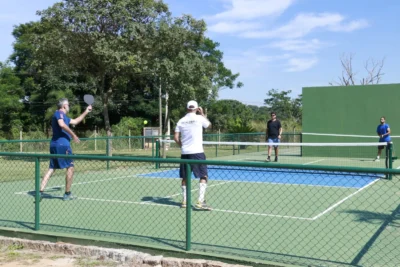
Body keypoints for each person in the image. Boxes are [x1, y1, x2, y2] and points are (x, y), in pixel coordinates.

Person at [39, 98, 92, 201]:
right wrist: (73, 135)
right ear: (63, 106)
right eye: (68, 105)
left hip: (54, 145)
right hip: (63, 145)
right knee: (70, 167)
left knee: (52, 168)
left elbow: (76, 121)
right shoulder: (59, 113)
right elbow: (62, 125)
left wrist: (86, 111)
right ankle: (67, 193)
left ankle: (40, 192)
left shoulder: (65, 117)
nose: (69, 106)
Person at [174, 100, 212, 210]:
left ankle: (185, 201)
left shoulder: (181, 121)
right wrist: (203, 114)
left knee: (185, 177)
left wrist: (183, 146)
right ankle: (200, 202)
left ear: (187, 108)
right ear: (196, 109)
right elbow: (209, 125)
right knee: (203, 175)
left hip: (185, 153)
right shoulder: (200, 118)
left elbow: (176, 138)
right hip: (198, 152)